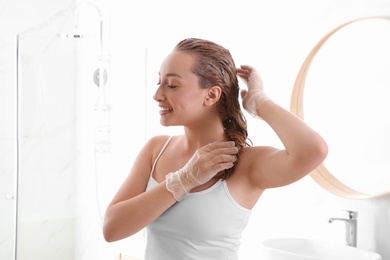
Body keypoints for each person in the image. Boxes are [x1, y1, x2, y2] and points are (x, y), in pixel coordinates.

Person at [103, 38, 328, 259]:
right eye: (159, 82)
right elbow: (112, 229)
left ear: (211, 95)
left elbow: (314, 150)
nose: (157, 95)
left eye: (172, 85)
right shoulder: (156, 149)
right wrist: (182, 180)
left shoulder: (246, 163)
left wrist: (258, 101)